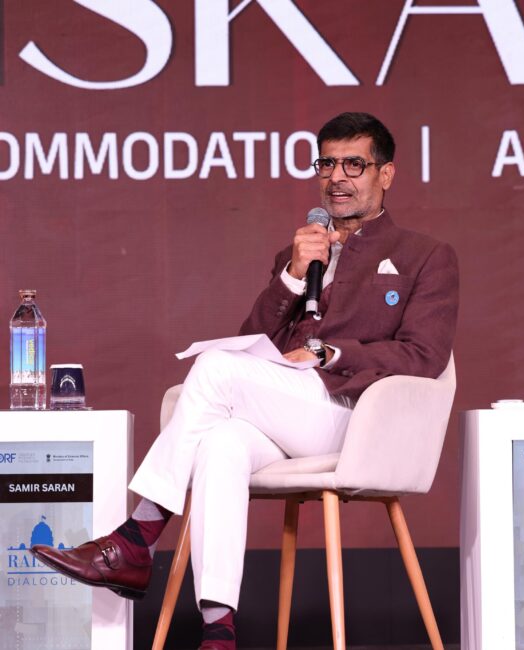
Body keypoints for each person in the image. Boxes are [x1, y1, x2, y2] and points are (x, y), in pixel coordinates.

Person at [31, 112, 459, 650]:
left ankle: (138, 535)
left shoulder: (425, 256)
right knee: (221, 443)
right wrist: (293, 275)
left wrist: (328, 352)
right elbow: (250, 342)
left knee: (214, 370)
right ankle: (218, 631)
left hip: (357, 418)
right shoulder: (297, 254)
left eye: (354, 164)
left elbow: (424, 356)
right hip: (287, 414)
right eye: (326, 164)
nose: (337, 177)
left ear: (386, 174)